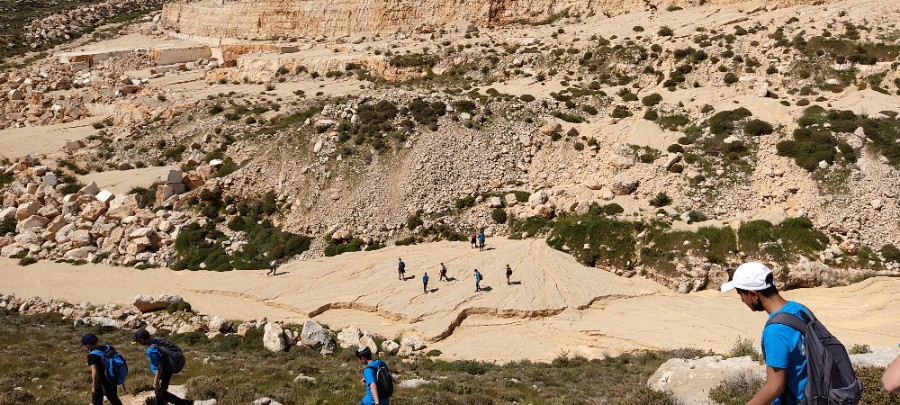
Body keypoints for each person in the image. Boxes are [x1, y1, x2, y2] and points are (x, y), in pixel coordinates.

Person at [721, 262, 810, 405]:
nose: (742, 300)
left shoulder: (775, 331)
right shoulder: (800, 309)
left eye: (741, 294)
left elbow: (775, 387)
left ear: (753, 295)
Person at [133, 329, 209, 405]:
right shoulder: (157, 339)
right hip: (168, 367)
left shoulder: (151, 350)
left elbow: (159, 367)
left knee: (160, 392)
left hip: (163, 372)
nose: (139, 343)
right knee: (161, 392)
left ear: (142, 340)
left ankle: (185, 403)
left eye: (139, 342)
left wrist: (155, 381)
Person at [82, 333, 123, 405]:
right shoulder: (108, 348)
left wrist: (94, 387)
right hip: (112, 378)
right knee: (114, 399)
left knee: (96, 402)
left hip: (100, 382)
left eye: (85, 345)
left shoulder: (92, 355)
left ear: (88, 345)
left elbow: (95, 373)